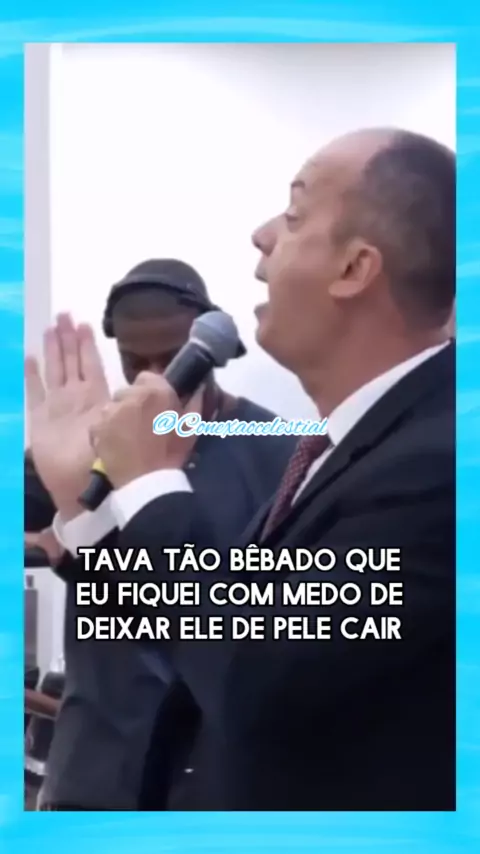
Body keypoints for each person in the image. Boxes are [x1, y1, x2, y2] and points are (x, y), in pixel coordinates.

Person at [26, 128, 455, 810]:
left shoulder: (443, 464)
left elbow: (257, 666)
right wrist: (82, 506)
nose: (261, 237)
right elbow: (196, 618)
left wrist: (149, 486)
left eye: (294, 214)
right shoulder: (342, 452)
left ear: (354, 269)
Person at [24, 259, 296, 810]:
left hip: (210, 785)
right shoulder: (91, 440)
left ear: (211, 351)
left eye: (170, 358)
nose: (154, 377)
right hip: (93, 772)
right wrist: (62, 533)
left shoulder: (279, 449)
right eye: (134, 362)